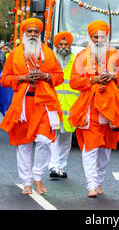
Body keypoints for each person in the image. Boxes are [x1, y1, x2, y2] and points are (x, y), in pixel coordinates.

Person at [0, 18, 64, 195]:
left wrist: (46, 76)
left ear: (40, 34)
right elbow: (4, 79)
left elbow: (59, 77)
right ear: (24, 34)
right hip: (23, 105)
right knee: (24, 145)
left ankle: (37, 176)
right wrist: (22, 78)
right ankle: (26, 182)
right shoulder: (14, 54)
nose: (33, 35)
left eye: (36, 32)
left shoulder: (49, 53)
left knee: (44, 140)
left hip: (44, 103)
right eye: (30, 32)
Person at [68, 20, 119, 198]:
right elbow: (74, 82)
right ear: (90, 38)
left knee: (105, 150)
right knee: (91, 147)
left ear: (106, 37)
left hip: (110, 108)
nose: (98, 40)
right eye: (95, 37)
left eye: (102, 37)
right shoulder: (82, 56)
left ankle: (99, 181)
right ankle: (91, 185)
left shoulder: (116, 55)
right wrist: (93, 80)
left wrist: (113, 76)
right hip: (90, 108)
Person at [48, 31, 79, 179]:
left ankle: (61, 166)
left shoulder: (76, 61)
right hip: (53, 104)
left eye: (66, 44)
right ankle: (53, 166)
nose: (63, 47)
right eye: (60, 44)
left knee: (66, 139)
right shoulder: (51, 60)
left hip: (70, 106)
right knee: (53, 137)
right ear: (56, 46)